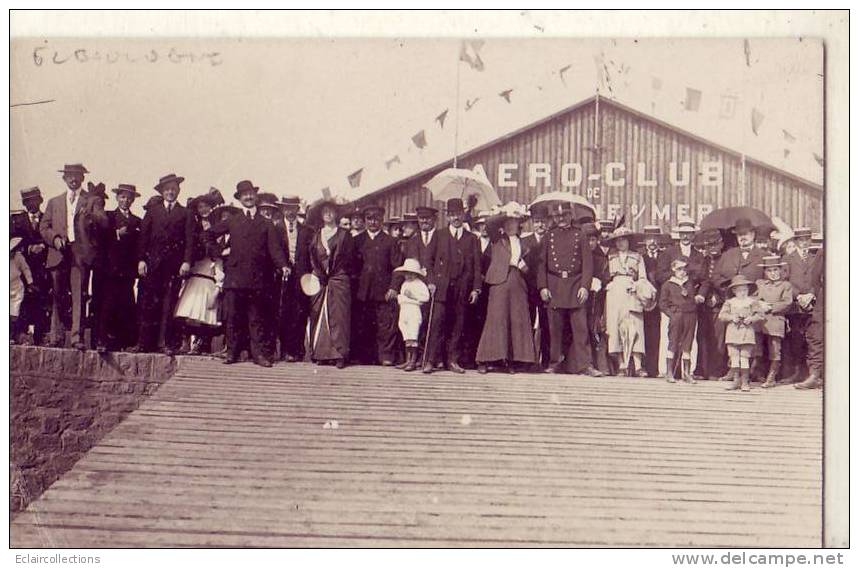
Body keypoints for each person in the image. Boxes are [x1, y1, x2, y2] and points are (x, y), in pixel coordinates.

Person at [208, 180, 290, 367]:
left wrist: (283, 265)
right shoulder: (232, 220)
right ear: (239, 198)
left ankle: (258, 355)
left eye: (251, 193)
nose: (248, 197)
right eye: (244, 194)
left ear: (255, 196)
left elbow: (275, 249)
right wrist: (219, 252)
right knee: (233, 317)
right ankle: (232, 353)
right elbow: (209, 235)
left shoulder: (266, 223)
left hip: (257, 279)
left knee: (256, 318)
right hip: (235, 277)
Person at [130, 173, 193, 355]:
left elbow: (189, 240)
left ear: (178, 190)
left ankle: (163, 343)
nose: (170, 192)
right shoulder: (152, 211)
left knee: (168, 304)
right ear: (162, 192)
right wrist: (141, 259)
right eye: (167, 190)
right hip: (152, 265)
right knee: (148, 303)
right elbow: (143, 237)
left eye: (173, 189)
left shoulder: (186, 213)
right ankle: (143, 343)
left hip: (173, 267)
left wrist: (186, 262)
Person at [421, 198, 482, 374]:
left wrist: (476, 289)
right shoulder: (439, 235)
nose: (456, 217)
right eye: (452, 214)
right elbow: (427, 260)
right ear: (447, 217)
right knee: (437, 322)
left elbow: (477, 266)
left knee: (458, 324)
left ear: (463, 215)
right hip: (441, 287)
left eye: (458, 214)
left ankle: (452, 360)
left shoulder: (472, 239)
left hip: (462, 288)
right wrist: (431, 281)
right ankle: (431, 360)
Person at [475, 203, 537, 374]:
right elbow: (489, 222)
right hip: (499, 282)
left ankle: (510, 360)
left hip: (517, 282)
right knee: (496, 320)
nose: (511, 225)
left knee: (516, 320)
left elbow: (530, 269)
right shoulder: (497, 239)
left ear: (520, 224)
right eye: (508, 222)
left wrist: (524, 267)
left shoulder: (525, 244)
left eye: (514, 222)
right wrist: (505, 213)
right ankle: (484, 359)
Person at [536, 202, 595, 375]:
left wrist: (585, 286)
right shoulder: (549, 236)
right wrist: (543, 287)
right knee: (555, 330)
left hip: (575, 285)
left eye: (564, 215)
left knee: (581, 329)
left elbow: (588, 265)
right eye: (557, 216)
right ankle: (554, 363)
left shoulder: (580, 235)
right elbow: (542, 265)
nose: (561, 219)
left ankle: (585, 365)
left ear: (571, 216)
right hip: (554, 285)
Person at [39, 163, 93, 348]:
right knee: (57, 295)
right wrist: (54, 239)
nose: (73, 178)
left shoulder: (90, 200)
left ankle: (77, 338)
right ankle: (57, 336)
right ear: (64, 178)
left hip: (79, 255)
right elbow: (43, 227)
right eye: (69, 175)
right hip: (58, 253)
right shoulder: (54, 202)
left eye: (77, 175)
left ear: (82, 178)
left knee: (78, 295)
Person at [713, 217, 768, 380]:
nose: (742, 237)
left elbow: (769, 279)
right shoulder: (728, 255)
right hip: (732, 303)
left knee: (755, 336)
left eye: (745, 234)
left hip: (754, 302)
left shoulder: (763, 255)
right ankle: (733, 369)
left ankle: (755, 370)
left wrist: (760, 299)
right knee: (730, 336)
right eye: (739, 235)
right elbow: (715, 276)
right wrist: (728, 290)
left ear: (753, 234)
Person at [306, 199, 356, 368]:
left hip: (339, 279)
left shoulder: (344, 235)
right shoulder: (316, 235)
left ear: (336, 213)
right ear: (321, 215)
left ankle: (340, 354)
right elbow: (312, 257)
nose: (328, 214)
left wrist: (336, 272)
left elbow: (350, 258)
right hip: (321, 279)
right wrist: (321, 273)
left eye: (331, 211)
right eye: (324, 211)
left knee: (340, 316)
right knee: (318, 313)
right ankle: (322, 353)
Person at [173, 188, 224, 355]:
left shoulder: (218, 225)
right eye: (200, 207)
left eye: (207, 206)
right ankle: (185, 342)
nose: (204, 210)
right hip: (197, 267)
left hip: (211, 267)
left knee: (206, 308)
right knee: (189, 306)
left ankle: (203, 343)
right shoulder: (194, 225)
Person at [95, 184, 142, 352]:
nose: (126, 200)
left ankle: (123, 342)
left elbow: (139, 246)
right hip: (110, 269)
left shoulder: (137, 221)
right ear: (117, 198)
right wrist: (116, 234)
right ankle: (103, 340)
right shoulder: (108, 217)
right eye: (123, 197)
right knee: (107, 303)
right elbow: (100, 237)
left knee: (126, 303)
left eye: (129, 198)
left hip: (127, 270)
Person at [353, 204, 401, 366]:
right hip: (362, 291)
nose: (373, 222)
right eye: (369, 219)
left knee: (385, 325)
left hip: (384, 291)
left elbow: (397, 268)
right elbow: (351, 267)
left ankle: (385, 356)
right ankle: (365, 357)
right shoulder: (357, 241)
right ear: (365, 220)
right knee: (363, 324)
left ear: (382, 220)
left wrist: (394, 287)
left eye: (377, 219)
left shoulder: (391, 241)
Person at [604, 227, 652, 377]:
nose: (620, 243)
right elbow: (605, 275)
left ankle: (638, 365)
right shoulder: (610, 257)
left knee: (635, 326)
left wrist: (636, 285)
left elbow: (643, 278)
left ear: (628, 241)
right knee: (615, 326)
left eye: (623, 239)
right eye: (617, 240)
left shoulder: (637, 257)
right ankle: (621, 364)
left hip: (632, 290)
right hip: (615, 292)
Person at [12, 187, 51, 345]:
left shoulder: (47, 219)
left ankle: (40, 335)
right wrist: (28, 249)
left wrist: (43, 247)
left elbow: (52, 238)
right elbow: (11, 242)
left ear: (40, 201)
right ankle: (19, 333)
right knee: (21, 301)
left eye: (34, 200)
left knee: (41, 300)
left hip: (42, 269)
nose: (31, 204)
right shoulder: (16, 220)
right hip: (22, 268)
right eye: (27, 202)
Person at [276, 195, 313, 362]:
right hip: (281, 276)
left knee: (300, 312)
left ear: (298, 210)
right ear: (283, 210)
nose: (290, 212)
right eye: (287, 208)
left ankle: (298, 349)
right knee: (283, 312)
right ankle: (285, 349)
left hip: (302, 276)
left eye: (293, 208)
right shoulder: (275, 229)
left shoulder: (307, 230)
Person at [658, 258, 703, 383]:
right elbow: (662, 304)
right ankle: (669, 372)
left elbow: (695, 295)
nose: (682, 272)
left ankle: (687, 373)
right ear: (673, 269)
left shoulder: (690, 283)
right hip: (676, 316)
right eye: (679, 269)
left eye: (684, 269)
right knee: (673, 342)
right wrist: (672, 315)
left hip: (690, 315)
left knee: (688, 344)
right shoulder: (668, 284)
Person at [693, 229, 729, 380]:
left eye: (715, 245)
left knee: (719, 339)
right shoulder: (704, 260)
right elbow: (699, 279)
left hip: (721, 303)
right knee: (703, 337)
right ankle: (701, 370)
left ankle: (716, 371)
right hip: (704, 304)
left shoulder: (726, 259)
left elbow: (727, 281)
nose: (713, 248)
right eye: (709, 246)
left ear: (721, 244)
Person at [782, 227, 816, 384]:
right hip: (796, 306)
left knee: (812, 338)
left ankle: (813, 372)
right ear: (795, 242)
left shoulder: (816, 257)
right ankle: (797, 371)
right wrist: (799, 296)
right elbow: (785, 281)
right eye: (801, 240)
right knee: (796, 338)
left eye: (807, 239)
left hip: (813, 304)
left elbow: (820, 278)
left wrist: (810, 294)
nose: (804, 243)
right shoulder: (788, 259)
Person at [719, 275, 766, 392]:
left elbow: (760, 315)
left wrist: (751, 319)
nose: (742, 293)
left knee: (744, 358)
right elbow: (722, 315)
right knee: (734, 358)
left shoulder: (752, 302)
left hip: (746, 334)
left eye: (745, 290)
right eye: (739, 290)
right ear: (734, 291)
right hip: (733, 333)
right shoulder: (730, 302)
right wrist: (731, 317)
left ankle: (745, 382)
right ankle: (736, 381)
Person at [755, 255, 794, 388]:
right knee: (757, 347)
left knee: (774, 348)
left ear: (781, 270)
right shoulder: (760, 284)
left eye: (776, 270)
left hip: (776, 320)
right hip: (760, 320)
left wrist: (770, 306)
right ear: (765, 272)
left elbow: (787, 302)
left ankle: (772, 376)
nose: (773, 273)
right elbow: (753, 298)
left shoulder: (785, 285)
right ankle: (757, 373)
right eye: (770, 271)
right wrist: (759, 304)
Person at [521, 204, 551, 369]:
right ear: (532, 223)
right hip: (529, 289)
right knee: (528, 322)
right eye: (538, 222)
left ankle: (546, 361)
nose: (541, 225)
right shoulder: (525, 241)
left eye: (544, 222)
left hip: (547, 289)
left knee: (547, 324)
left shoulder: (552, 240)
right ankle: (527, 360)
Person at [394, 258, 430, 372]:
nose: (408, 275)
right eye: (406, 273)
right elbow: (402, 296)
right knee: (406, 335)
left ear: (415, 274)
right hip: (404, 310)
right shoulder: (405, 283)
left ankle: (413, 361)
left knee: (413, 335)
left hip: (413, 310)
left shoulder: (420, 284)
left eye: (410, 273)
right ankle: (408, 360)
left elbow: (425, 297)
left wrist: (412, 296)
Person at [795, 248, 824, 390]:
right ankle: (815, 374)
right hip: (826, 295)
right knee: (816, 333)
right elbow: (816, 278)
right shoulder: (823, 252)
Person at [585, 222, 612, 375]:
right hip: (582, 297)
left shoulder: (600, 258)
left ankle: (600, 364)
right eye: (588, 240)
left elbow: (606, 275)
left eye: (594, 240)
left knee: (596, 328)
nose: (591, 243)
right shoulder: (579, 256)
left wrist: (601, 282)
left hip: (598, 298)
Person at [641, 225, 665, 377]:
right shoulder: (640, 257)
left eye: (655, 239)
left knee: (659, 335)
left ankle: (657, 368)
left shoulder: (665, 256)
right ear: (645, 241)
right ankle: (647, 368)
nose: (652, 242)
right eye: (649, 239)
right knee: (645, 334)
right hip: (645, 302)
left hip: (662, 300)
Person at [10, 236, 35, 343]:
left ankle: (11, 336)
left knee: (14, 313)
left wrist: (30, 283)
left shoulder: (19, 257)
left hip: (16, 288)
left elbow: (26, 269)